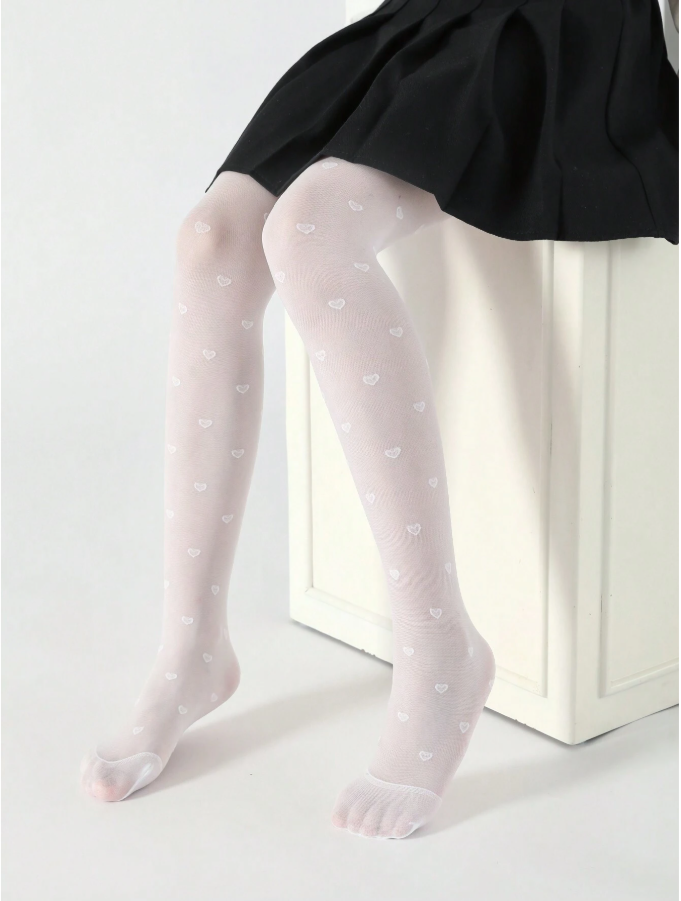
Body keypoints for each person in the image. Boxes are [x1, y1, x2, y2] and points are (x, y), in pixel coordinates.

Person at [79, 0, 679, 839]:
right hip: (432, 18)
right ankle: (191, 648)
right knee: (212, 238)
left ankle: (438, 646)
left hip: (566, 30)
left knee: (311, 232)